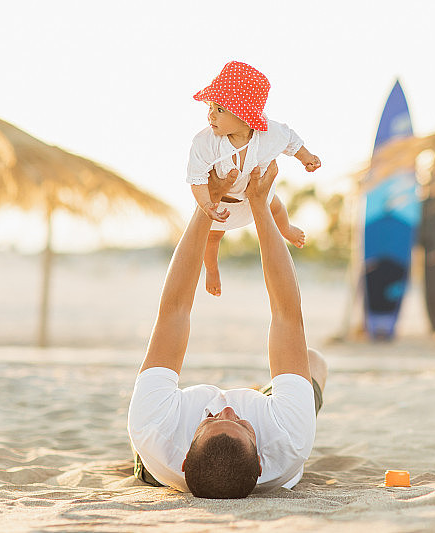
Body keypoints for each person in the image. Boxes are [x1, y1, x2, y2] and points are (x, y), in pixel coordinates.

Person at [128, 161, 328, 498]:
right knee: (314, 360)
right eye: (241, 422)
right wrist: (260, 206)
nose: (228, 409)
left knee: (143, 417)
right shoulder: (288, 438)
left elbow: (174, 311)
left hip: (158, 461)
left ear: (184, 457)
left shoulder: (155, 429)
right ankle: (263, 395)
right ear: (261, 462)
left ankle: (254, 399)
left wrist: (207, 205)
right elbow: (287, 315)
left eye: (211, 420)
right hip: (277, 430)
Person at [187, 60, 321, 296]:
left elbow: (290, 140)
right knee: (212, 237)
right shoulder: (206, 142)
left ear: (244, 116)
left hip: (256, 195)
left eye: (220, 109)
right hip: (223, 203)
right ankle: (212, 270)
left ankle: (286, 229)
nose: (211, 115)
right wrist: (207, 204)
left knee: (276, 207)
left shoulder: (268, 134)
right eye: (210, 107)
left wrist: (307, 157)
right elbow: (197, 178)